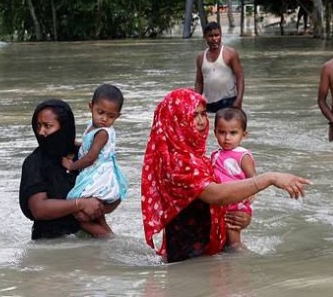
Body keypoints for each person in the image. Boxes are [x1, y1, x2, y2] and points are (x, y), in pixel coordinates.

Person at [141, 88, 310, 262]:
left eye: (203, 114)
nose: (201, 121)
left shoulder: (193, 154)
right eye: (193, 115)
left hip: (205, 252)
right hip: (190, 259)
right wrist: (270, 178)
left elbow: (216, 201)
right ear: (176, 119)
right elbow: (217, 195)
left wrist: (240, 220)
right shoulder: (178, 161)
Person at [19, 99, 118, 240]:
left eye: (48, 126)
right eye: (38, 125)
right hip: (51, 244)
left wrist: (100, 207)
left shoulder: (85, 156)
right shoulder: (34, 163)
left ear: (64, 128)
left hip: (95, 238)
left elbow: (113, 189)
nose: (41, 132)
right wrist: (80, 204)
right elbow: (39, 209)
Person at [62, 84, 128, 237]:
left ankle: (106, 239)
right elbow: (87, 146)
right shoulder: (92, 127)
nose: (104, 119)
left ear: (117, 116)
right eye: (100, 112)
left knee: (80, 216)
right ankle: (108, 235)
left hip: (99, 176)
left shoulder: (102, 133)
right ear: (91, 107)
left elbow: (91, 157)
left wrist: (72, 166)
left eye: (111, 116)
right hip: (97, 173)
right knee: (97, 216)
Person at [211, 107, 256, 250]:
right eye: (222, 132)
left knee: (233, 240)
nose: (227, 137)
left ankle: (238, 261)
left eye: (233, 133)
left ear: (243, 135)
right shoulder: (215, 154)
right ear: (215, 133)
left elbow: (253, 178)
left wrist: (250, 195)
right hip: (221, 201)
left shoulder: (243, 155)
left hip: (236, 204)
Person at [194, 22, 244, 113]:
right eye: (210, 36)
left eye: (217, 35)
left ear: (221, 35)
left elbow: (240, 78)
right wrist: (195, 101)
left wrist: (239, 100)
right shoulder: (201, 57)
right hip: (208, 103)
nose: (214, 39)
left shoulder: (230, 53)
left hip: (229, 101)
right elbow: (199, 82)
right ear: (205, 37)